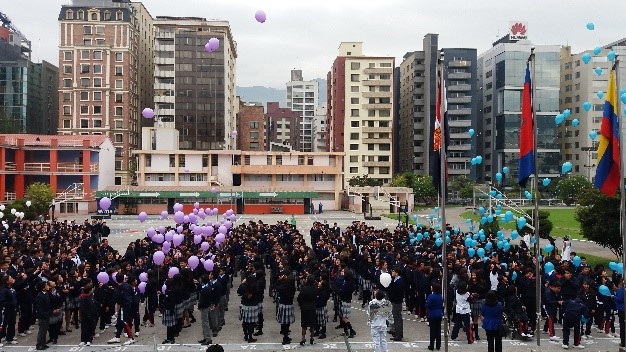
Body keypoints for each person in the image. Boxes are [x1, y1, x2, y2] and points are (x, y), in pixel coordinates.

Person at [297, 276, 318, 346]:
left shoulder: (303, 289)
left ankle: (303, 338)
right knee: (312, 325)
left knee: (304, 325)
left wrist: (301, 304)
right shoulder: (315, 289)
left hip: (305, 307)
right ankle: (311, 338)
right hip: (312, 307)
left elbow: (299, 298)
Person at [387, 266, 405, 341]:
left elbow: (395, 292)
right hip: (396, 301)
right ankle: (397, 332)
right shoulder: (395, 280)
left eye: (393, 271)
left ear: (397, 273)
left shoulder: (399, 282)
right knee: (397, 317)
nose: (392, 272)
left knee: (397, 318)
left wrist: (391, 298)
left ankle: (398, 334)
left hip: (396, 302)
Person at [426, 283, 444, 351]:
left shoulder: (431, 296)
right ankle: (438, 345)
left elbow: (427, 305)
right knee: (438, 330)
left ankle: (431, 345)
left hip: (432, 314)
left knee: (432, 331)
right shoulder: (440, 296)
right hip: (439, 314)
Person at [35, 281, 51, 350]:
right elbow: (39, 308)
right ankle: (39, 345)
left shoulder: (46, 294)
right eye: (46, 285)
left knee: (45, 330)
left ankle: (43, 343)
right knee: (42, 331)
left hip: (47, 315)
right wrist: (44, 315)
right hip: (43, 316)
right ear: (43, 287)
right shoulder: (39, 296)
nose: (48, 286)